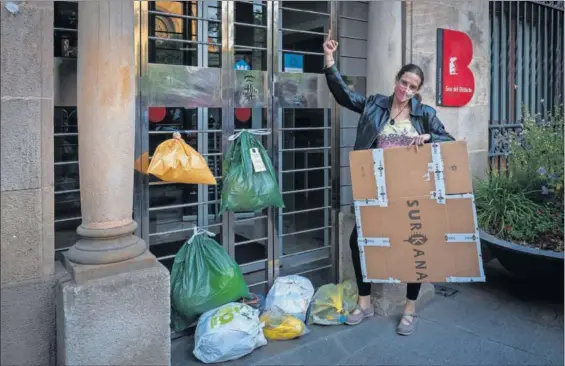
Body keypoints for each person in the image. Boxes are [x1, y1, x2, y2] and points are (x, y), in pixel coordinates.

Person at [322, 32, 455, 335]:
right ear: (396, 79)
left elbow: (449, 141)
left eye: (413, 86)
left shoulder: (426, 115)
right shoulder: (374, 105)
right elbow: (344, 95)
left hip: (410, 191)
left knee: (414, 248)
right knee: (360, 242)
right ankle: (365, 302)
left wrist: (428, 136)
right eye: (403, 82)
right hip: (375, 189)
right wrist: (329, 59)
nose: (406, 89)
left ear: (418, 90)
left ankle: (410, 307)